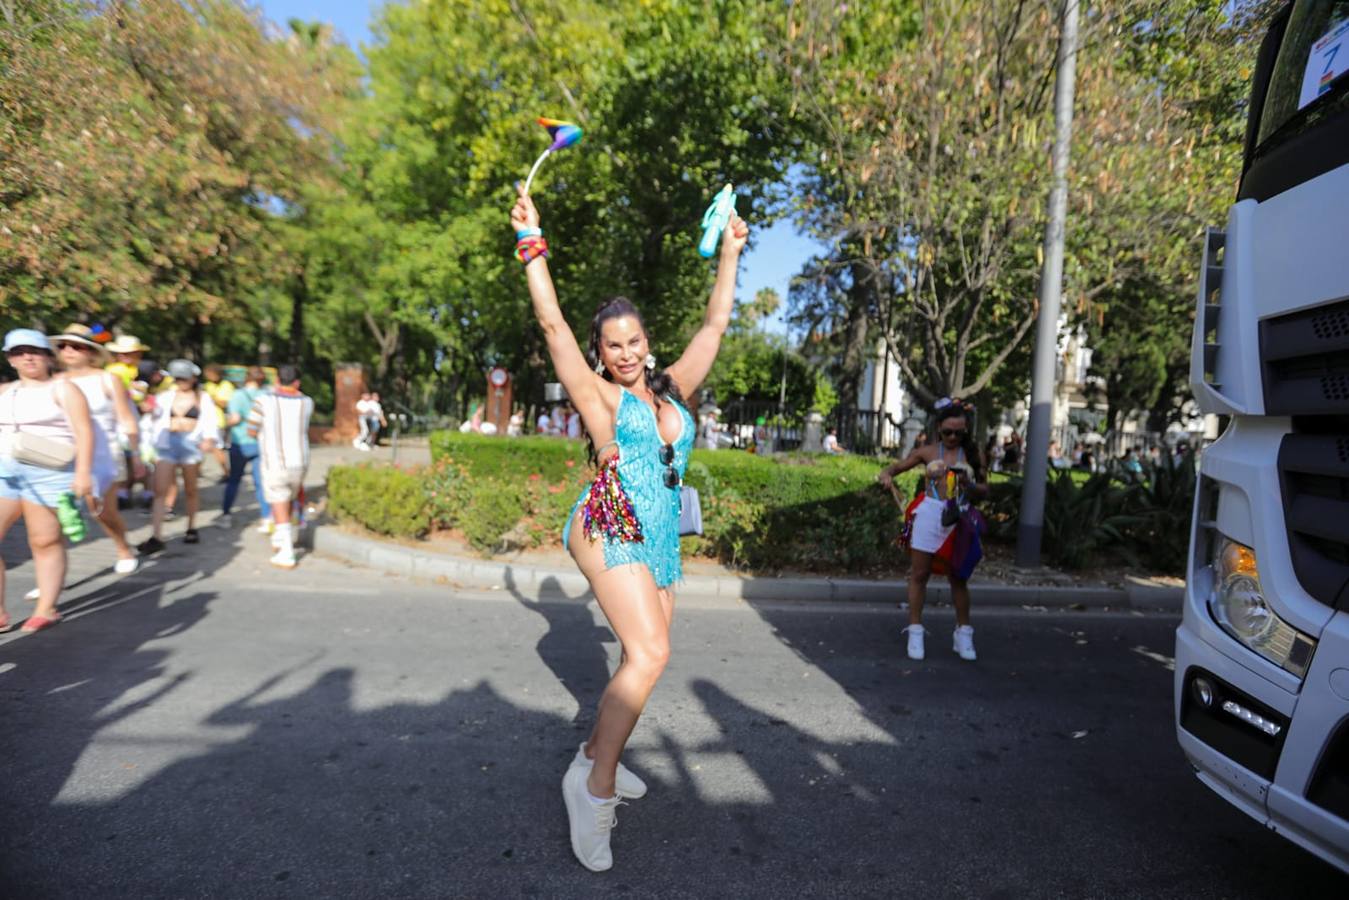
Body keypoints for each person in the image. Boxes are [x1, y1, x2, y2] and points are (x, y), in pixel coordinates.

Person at [512, 181, 748, 872]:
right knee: (650, 656)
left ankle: (593, 751)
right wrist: (533, 243)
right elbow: (552, 325)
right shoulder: (599, 395)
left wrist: (730, 252)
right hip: (607, 520)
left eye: (633, 339)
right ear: (600, 350)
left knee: (636, 659)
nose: (624, 351)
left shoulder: (671, 386)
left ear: (647, 342)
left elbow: (714, 326)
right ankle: (594, 790)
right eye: (611, 343)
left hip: (660, 534)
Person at [0, 329, 96, 633]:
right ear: (10, 359)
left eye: (35, 351)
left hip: (50, 472)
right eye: (19, 352)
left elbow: (84, 432)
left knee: (43, 540)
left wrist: (83, 474)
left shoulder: (64, 389)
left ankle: (46, 608)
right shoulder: (6, 391)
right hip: (7, 470)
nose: (27, 357)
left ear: (47, 356)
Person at [877, 399, 988, 662]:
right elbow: (897, 467)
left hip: (958, 517)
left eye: (958, 433)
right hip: (929, 515)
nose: (952, 437)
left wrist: (969, 484)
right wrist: (886, 475)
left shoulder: (974, 454)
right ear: (939, 428)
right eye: (948, 431)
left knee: (958, 578)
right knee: (920, 573)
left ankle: (963, 634)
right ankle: (915, 632)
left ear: (965, 431)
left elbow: (985, 491)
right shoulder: (927, 451)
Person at [51, 325, 141, 574]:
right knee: (53, 516)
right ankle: (50, 571)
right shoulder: (54, 382)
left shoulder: (107, 379)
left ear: (91, 352)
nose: (68, 350)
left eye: (76, 346)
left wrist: (136, 455)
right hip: (63, 456)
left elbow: (127, 419)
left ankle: (123, 547)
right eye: (63, 346)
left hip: (103, 455)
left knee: (99, 509)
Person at [138, 359, 219, 554]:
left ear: (193, 378)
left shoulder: (203, 398)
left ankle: (191, 526)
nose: (181, 382)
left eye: (184, 378)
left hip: (191, 445)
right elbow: (152, 419)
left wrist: (209, 438)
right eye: (178, 378)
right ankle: (156, 534)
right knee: (160, 490)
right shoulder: (165, 396)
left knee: (191, 489)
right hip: (167, 444)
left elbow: (210, 419)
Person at [247, 364, 313, 569]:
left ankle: (285, 550)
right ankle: (279, 537)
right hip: (301, 460)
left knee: (279, 500)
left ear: (276, 380)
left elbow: (251, 429)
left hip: (275, 460)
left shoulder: (263, 400)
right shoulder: (307, 402)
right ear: (297, 382)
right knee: (289, 498)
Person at [221, 366, 269, 528]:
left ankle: (226, 515)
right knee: (260, 482)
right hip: (260, 443)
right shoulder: (267, 395)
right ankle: (266, 517)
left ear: (247, 378)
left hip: (240, 443)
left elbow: (234, 418)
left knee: (234, 480)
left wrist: (224, 424)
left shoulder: (238, 395)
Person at [202, 364, 235, 478]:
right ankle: (196, 471)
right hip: (204, 420)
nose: (208, 376)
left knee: (216, 447)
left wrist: (210, 398)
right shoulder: (207, 385)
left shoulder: (226, 385)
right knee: (200, 446)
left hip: (217, 421)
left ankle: (227, 472)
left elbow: (225, 403)